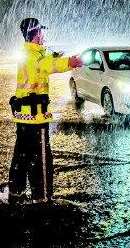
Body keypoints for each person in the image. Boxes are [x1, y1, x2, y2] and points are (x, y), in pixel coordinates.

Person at [8, 18, 83, 204]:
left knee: (21, 157)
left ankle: (15, 194)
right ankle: (42, 199)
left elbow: (46, 61)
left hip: (23, 117)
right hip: (36, 118)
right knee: (41, 159)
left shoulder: (27, 54)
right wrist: (70, 62)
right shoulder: (36, 57)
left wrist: (56, 57)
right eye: (42, 32)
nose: (44, 36)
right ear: (37, 34)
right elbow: (48, 65)